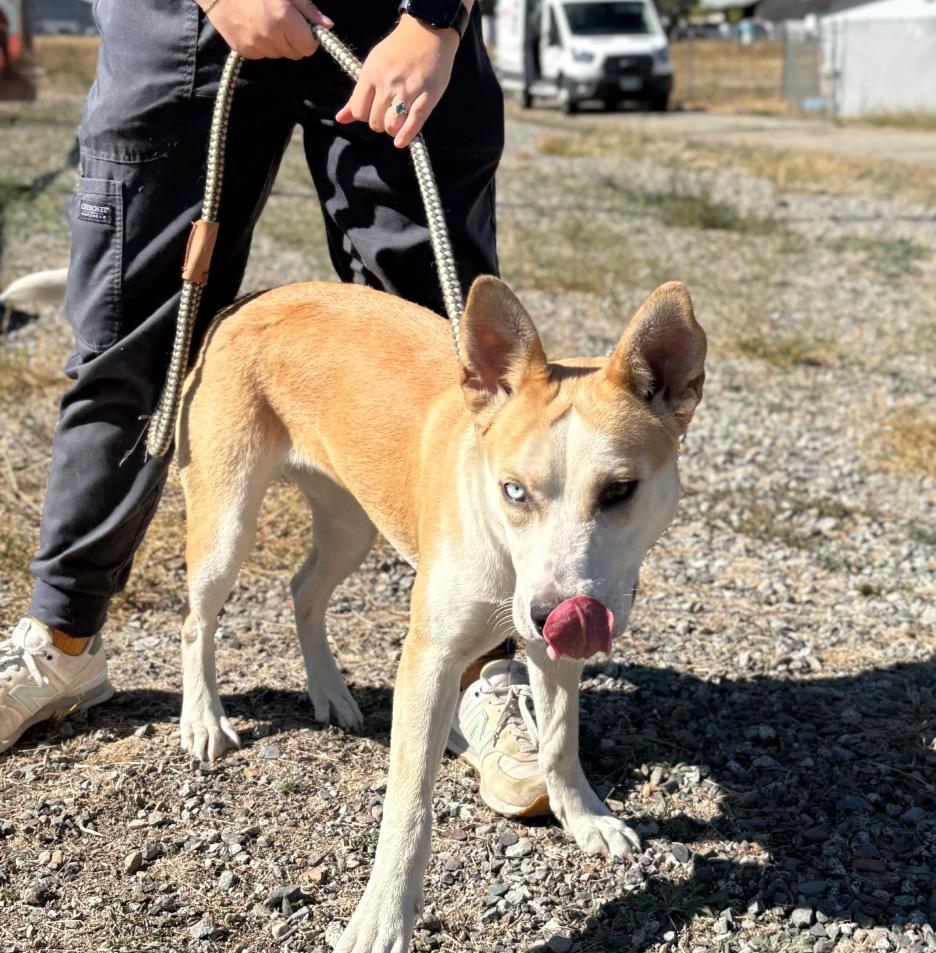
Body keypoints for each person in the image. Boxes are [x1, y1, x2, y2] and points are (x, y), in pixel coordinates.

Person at [0, 0, 548, 818]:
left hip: (402, 20)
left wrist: (436, 19)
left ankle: (481, 666)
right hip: (179, 17)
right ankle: (63, 637)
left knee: (447, 355)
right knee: (131, 340)